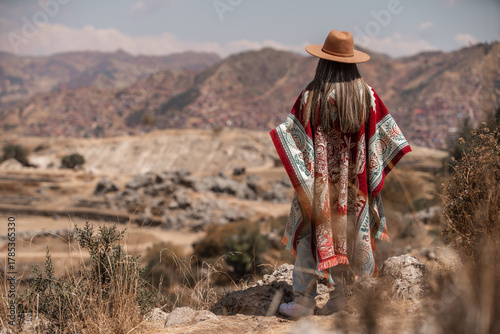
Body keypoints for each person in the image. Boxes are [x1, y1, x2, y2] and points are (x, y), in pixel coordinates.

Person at [269, 29, 411, 318]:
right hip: (355, 187)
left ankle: (303, 302)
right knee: (350, 234)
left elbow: (293, 137)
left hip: (319, 186)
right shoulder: (368, 96)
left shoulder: (312, 95)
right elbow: (386, 139)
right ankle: (341, 300)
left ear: (322, 61)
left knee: (307, 237)